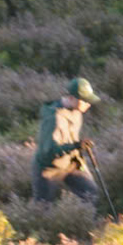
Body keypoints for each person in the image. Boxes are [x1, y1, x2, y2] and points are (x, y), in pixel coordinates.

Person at [34, 77, 105, 207]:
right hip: (49, 169)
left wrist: (79, 147)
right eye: (85, 101)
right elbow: (48, 151)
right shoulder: (53, 118)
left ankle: (82, 224)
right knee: (42, 210)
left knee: (91, 193)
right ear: (72, 98)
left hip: (70, 165)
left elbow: (70, 139)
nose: (89, 104)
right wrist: (75, 146)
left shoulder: (77, 112)